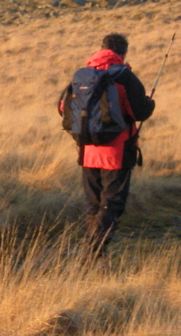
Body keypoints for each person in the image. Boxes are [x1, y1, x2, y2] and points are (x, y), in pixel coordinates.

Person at [64, 33, 155, 257]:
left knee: (93, 204)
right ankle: (93, 251)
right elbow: (140, 111)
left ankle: (94, 252)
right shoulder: (124, 75)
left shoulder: (83, 75)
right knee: (111, 204)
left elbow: (62, 108)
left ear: (102, 48)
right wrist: (150, 103)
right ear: (123, 53)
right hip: (117, 150)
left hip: (87, 151)